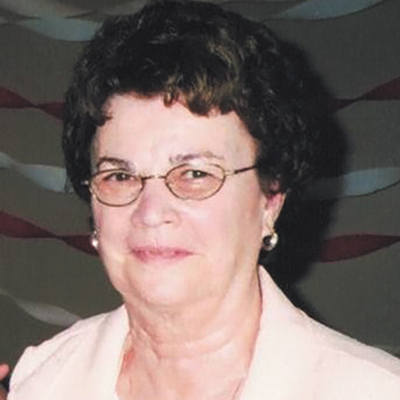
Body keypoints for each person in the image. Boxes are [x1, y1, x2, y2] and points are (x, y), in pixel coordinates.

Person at [8, 1, 400, 399]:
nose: (151, 213)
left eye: (195, 174)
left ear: (270, 199)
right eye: (120, 176)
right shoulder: (45, 379)